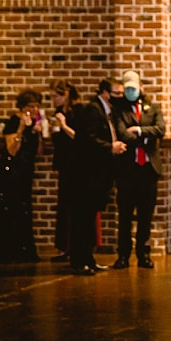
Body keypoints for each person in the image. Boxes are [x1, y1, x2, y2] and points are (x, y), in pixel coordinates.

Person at [68, 78, 127, 275]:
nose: (120, 97)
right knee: (83, 218)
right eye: (117, 93)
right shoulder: (92, 110)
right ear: (105, 92)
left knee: (91, 217)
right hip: (88, 174)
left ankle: (89, 258)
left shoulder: (109, 112)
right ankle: (79, 260)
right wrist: (110, 147)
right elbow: (86, 139)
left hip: (100, 174)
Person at [112, 71, 166, 269]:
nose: (131, 92)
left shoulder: (152, 108)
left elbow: (160, 129)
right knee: (124, 215)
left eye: (134, 88)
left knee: (146, 216)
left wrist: (140, 130)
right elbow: (122, 134)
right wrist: (144, 138)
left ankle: (144, 254)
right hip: (128, 169)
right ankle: (123, 255)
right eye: (127, 89)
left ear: (140, 87)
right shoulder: (118, 109)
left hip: (148, 169)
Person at [0, 89, 46, 264]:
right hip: (11, 170)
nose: (34, 109)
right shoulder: (14, 122)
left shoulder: (34, 124)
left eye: (37, 106)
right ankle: (5, 251)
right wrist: (21, 128)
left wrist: (38, 133)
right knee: (9, 207)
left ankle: (24, 250)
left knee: (24, 208)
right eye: (31, 106)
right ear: (22, 107)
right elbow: (11, 150)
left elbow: (38, 152)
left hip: (25, 171)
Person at [49, 80, 82, 263]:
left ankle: (74, 247)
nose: (53, 100)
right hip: (64, 164)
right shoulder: (59, 113)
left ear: (66, 95)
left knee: (73, 207)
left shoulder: (77, 112)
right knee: (63, 207)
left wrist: (64, 126)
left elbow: (80, 137)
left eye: (56, 96)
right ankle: (64, 246)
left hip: (75, 165)